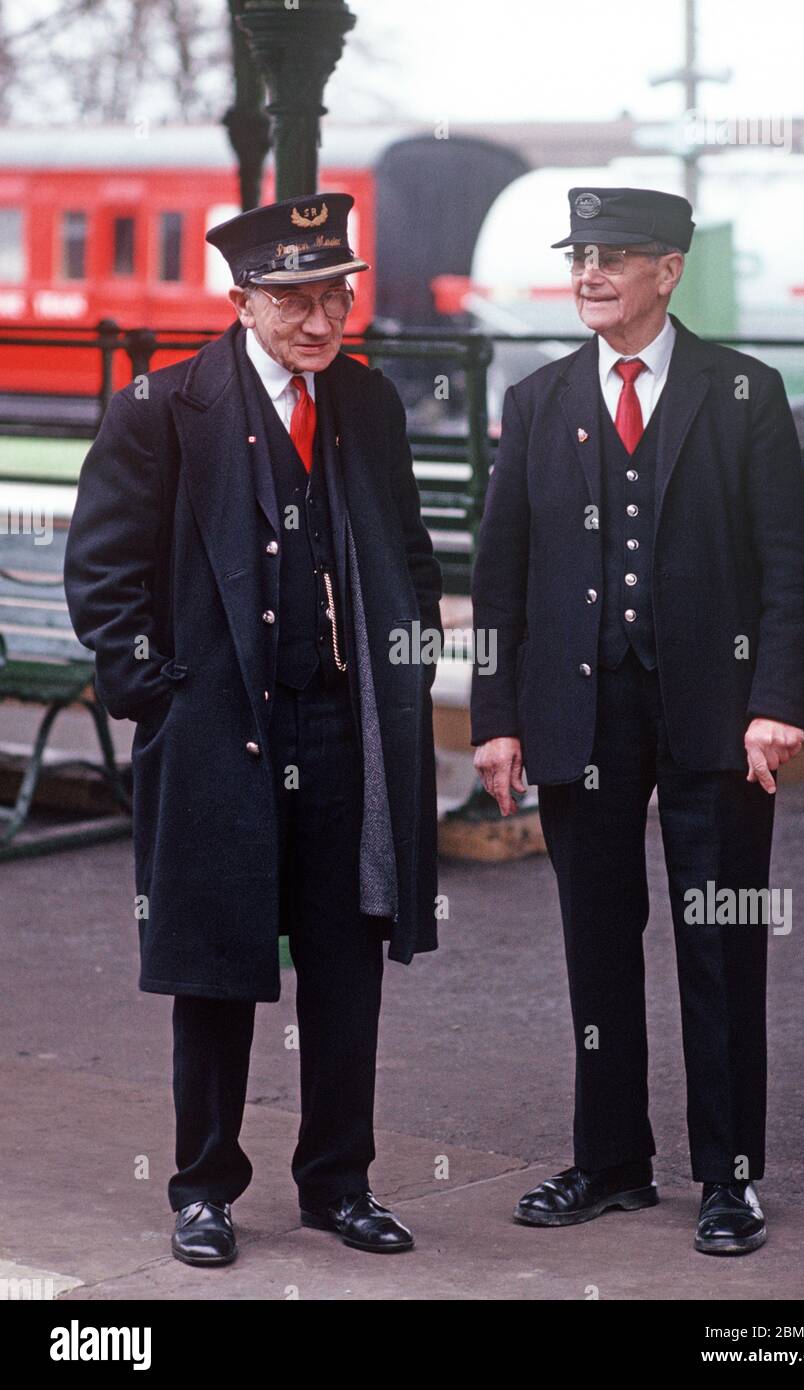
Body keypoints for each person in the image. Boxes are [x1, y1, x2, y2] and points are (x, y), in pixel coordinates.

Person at [64, 193, 443, 1263]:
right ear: (239, 300)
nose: (321, 322)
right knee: (215, 963)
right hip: (218, 728)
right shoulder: (163, 405)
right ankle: (203, 1189)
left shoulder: (366, 406)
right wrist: (158, 692)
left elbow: (408, 555)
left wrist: (400, 676)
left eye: (336, 297)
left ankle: (338, 1182)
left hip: (339, 731)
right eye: (295, 300)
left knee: (345, 958)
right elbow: (101, 570)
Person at [470, 187, 804, 1255]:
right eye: (581, 254)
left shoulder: (743, 394)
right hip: (580, 713)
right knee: (596, 941)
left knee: (718, 942)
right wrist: (497, 719)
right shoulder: (535, 402)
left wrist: (774, 701)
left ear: (667, 271)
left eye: (614, 257)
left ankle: (728, 1178)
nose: (589, 273)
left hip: (718, 716)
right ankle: (610, 1160)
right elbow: (499, 583)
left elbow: (789, 566)